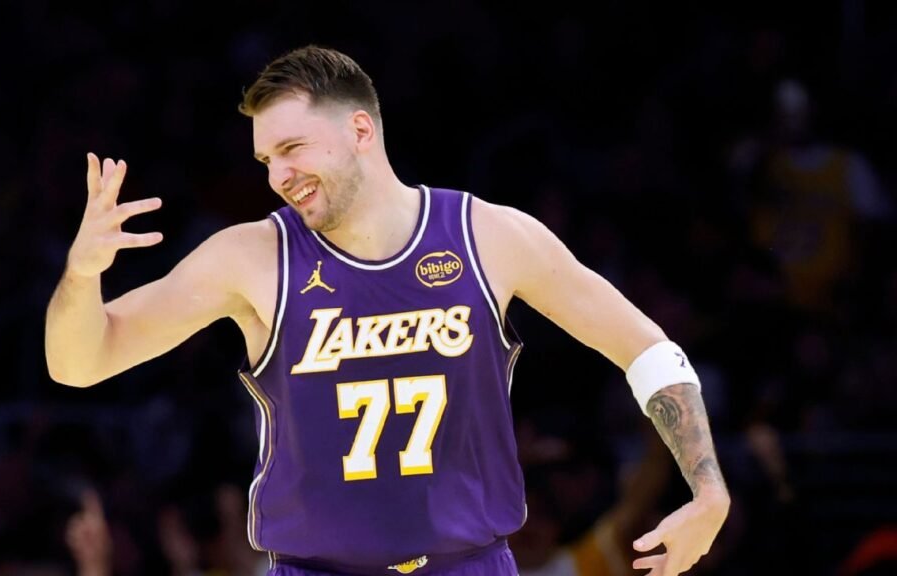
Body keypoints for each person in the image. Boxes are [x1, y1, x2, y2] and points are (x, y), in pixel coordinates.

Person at [45, 45, 730, 576]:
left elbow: (647, 349)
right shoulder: (251, 258)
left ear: (360, 130)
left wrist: (708, 492)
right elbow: (79, 364)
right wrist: (81, 275)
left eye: (291, 148)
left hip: (470, 565)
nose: (278, 176)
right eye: (265, 159)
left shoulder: (487, 237)